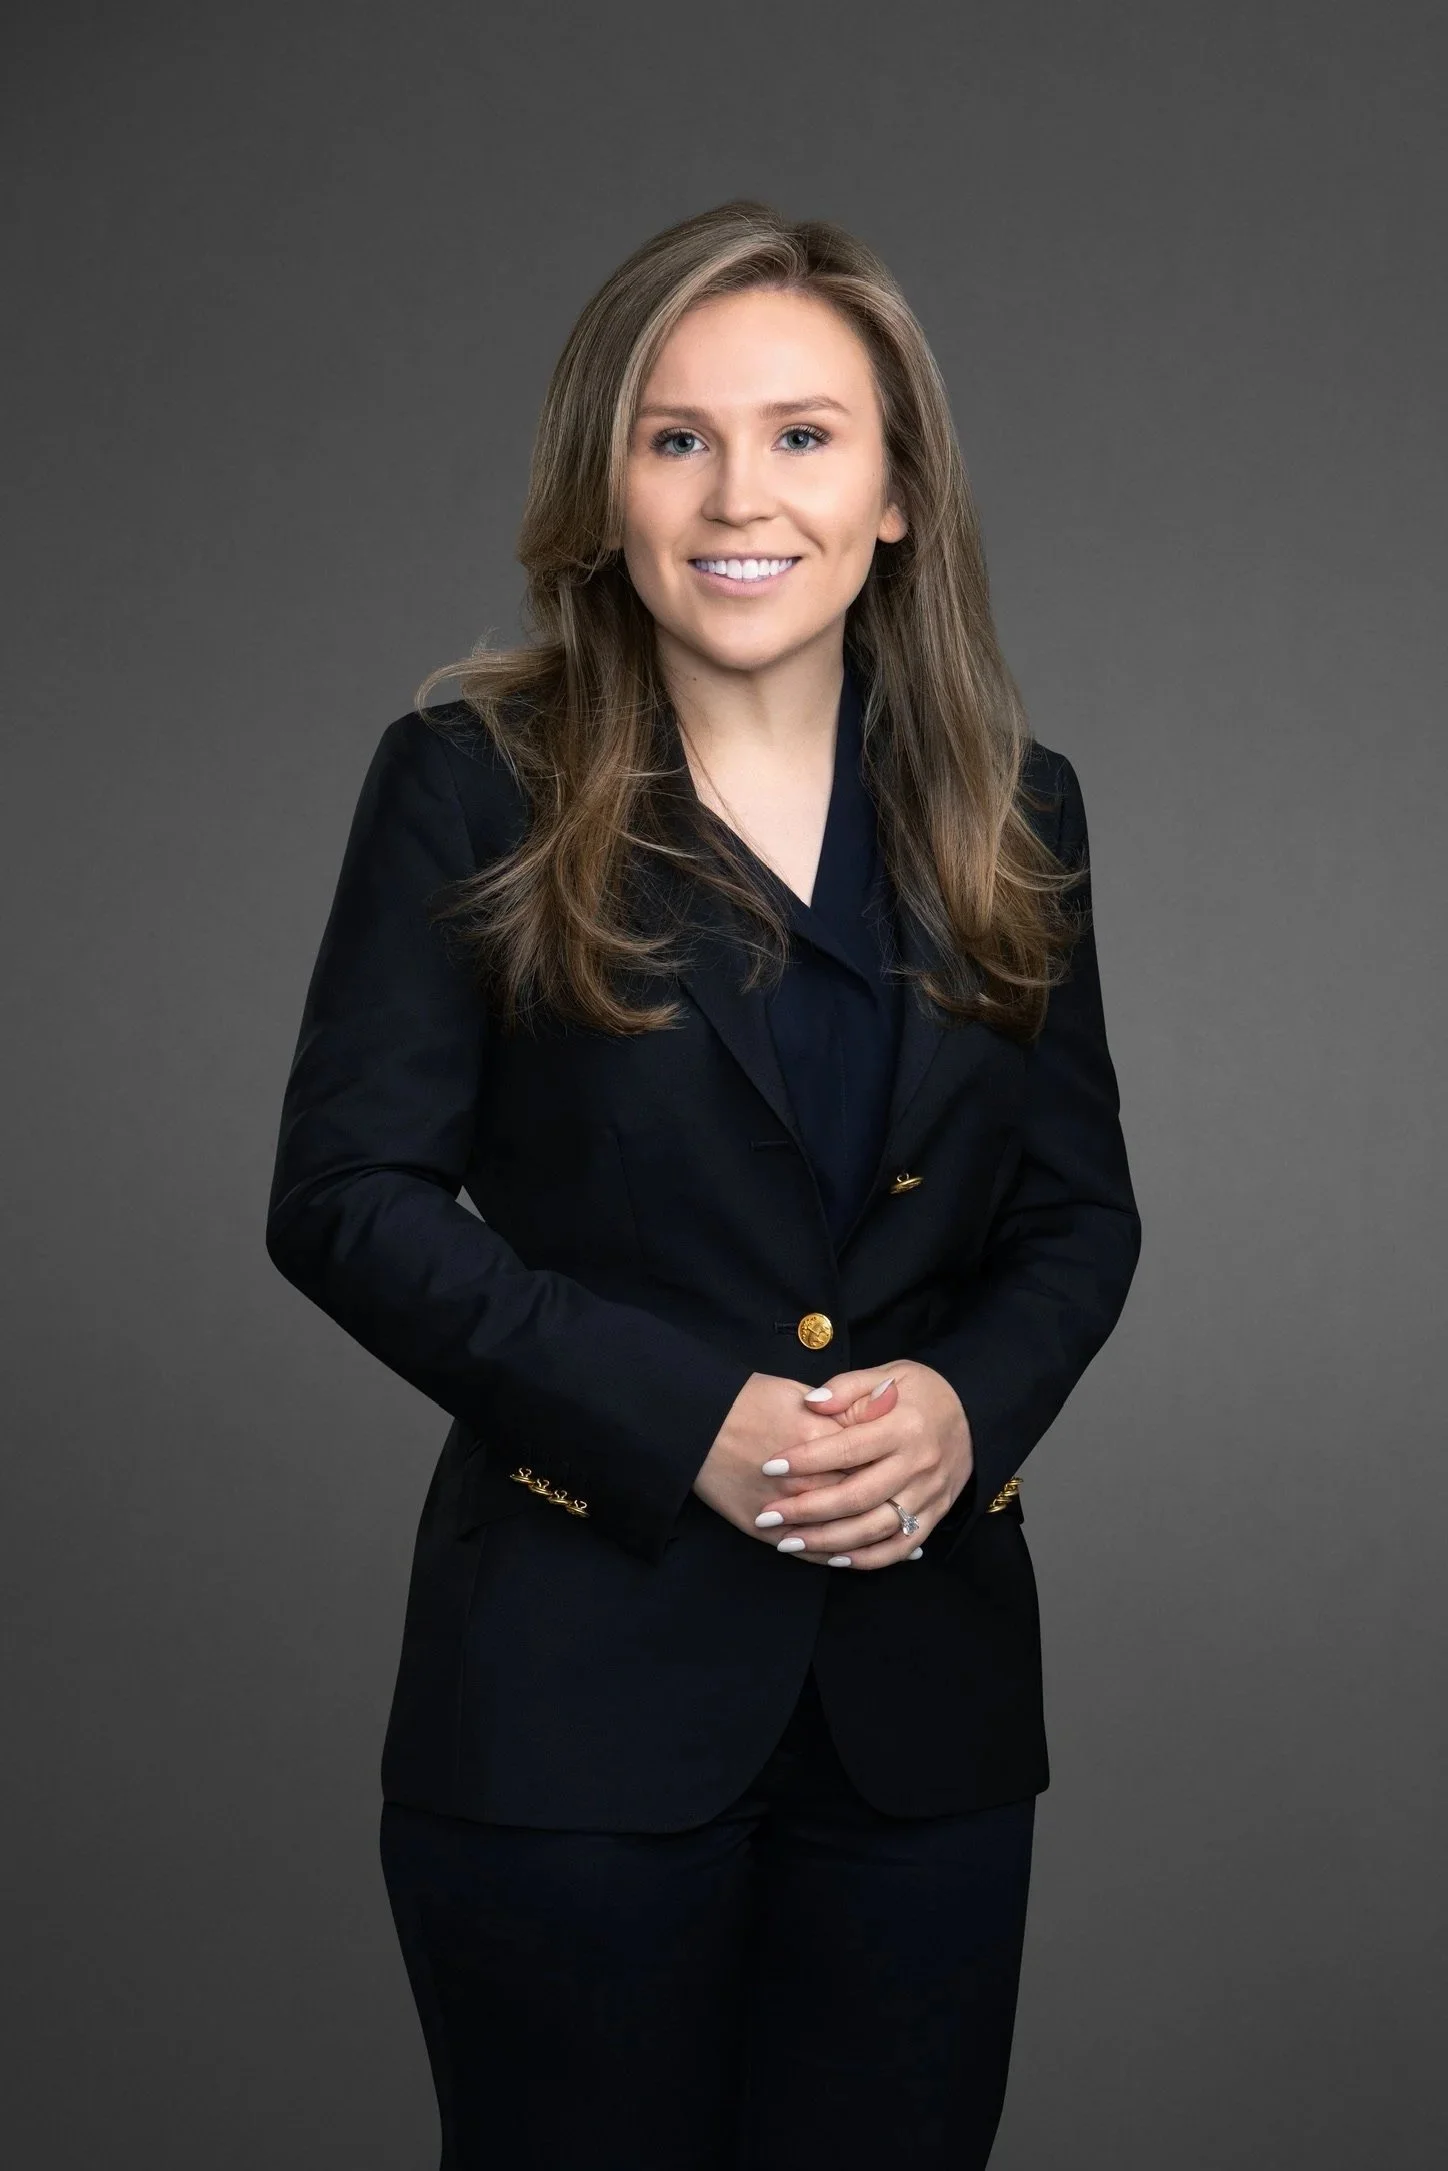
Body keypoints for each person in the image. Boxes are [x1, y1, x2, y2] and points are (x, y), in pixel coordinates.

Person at [265, 198, 1142, 2171]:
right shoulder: (468, 775)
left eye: (804, 433)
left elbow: (1078, 1212)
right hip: (571, 1707)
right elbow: (343, 1190)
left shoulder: (1017, 803)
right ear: (605, 484)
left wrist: (960, 1407)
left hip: (924, 1725)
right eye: (676, 436)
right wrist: (692, 1426)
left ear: (897, 489)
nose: (739, 491)